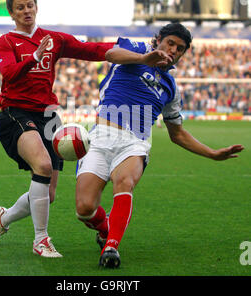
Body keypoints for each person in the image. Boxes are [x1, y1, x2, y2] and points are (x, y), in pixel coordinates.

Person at [75, 23, 244, 268]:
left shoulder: (171, 88)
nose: (174, 50)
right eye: (170, 43)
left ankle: (111, 246)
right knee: (85, 208)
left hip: (135, 143)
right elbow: (110, 55)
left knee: (125, 182)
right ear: (158, 40)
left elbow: (178, 134)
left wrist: (213, 154)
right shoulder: (135, 49)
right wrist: (146, 58)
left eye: (180, 48)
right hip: (101, 136)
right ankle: (105, 229)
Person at [0, 0, 114, 258]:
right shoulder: (6, 42)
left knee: (49, 193)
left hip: (49, 115)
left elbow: (90, 49)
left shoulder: (53, 39)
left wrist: (127, 49)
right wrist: (33, 58)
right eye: (20, 8)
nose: (26, 11)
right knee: (43, 166)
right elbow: (8, 73)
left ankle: (3, 219)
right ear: (12, 13)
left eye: (30, 5)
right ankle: (41, 240)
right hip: (15, 112)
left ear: (36, 7)